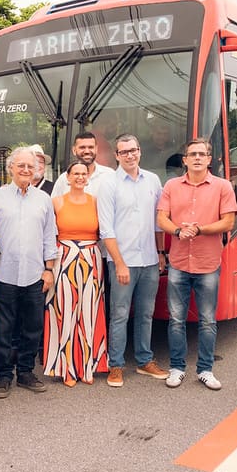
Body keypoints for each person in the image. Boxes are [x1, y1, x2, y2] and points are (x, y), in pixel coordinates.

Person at [157, 138, 237, 390]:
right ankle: (177, 368)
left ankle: (205, 369)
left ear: (209, 159)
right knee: (176, 320)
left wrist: (201, 230)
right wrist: (178, 232)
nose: (197, 158)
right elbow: (162, 218)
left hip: (208, 263)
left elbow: (228, 223)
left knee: (207, 320)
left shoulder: (222, 186)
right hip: (179, 263)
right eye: (192, 154)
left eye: (202, 154)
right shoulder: (171, 185)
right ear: (185, 160)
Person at [0, 147, 58, 398]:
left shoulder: (44, 199)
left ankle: (26, 372)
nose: (26, 170)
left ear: (37, 170)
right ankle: (4, 375)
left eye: (31, 166)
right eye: (21, 166)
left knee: (33, 327)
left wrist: (49, 270)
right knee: (4, 328)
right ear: (11, 169)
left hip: (35, 275)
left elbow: (50, 236)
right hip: (4, 274)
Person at [97, 134, 168, 388]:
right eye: (123, 151)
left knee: (146, 314)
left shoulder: (153, 180)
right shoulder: (109, 184)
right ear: (116, 155)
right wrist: (120, 263)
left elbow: (158, 221)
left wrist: (160, 253)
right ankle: (115, 365)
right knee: (119, 314)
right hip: (121, 262)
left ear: (140, 152)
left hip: (149, 260)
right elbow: (106, 230)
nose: (129, 155)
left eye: (133, 150)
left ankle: (144, 360)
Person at [44, 161, 108, 386]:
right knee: (65, 311)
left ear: (88, 177)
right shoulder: (56, 202)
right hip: (64, 259)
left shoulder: (96, 202)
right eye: (76, 174)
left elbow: (105, 232)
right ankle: (67, 369)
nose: (80, 177)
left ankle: (89, 366)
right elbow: (48, 236)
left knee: (89, 311)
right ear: (67, 178)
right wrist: (48, 266)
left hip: (91, 259)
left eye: (84, 173)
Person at [51, 132, 113, 197]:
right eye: (82, 147)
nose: (87, 151)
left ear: (96, 149)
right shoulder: (64, 179)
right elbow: (54, 205)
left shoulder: (109, 175)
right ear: (74, 150)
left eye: (91, 147)